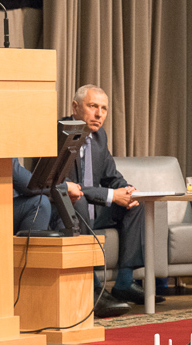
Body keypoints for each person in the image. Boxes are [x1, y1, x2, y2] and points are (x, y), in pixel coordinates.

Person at [66, 84, 160, 317]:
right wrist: (111, 195)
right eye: (93, 106)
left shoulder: (99, 137)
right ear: (75, 108)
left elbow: (111, 175)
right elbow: (64, 186)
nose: (99, 114)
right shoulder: (60, 135)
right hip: (67, 210)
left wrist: (128, 191)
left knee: (135, 204)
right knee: (78, 201)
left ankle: (124, 283)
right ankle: (94, 289)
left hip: (93, 210)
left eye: (104, 109)